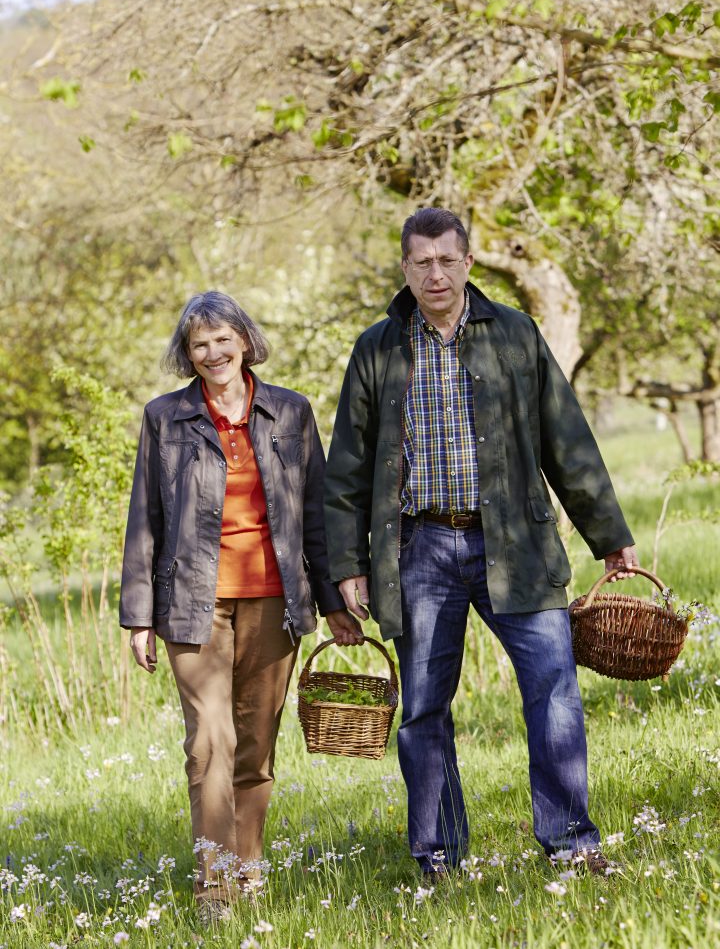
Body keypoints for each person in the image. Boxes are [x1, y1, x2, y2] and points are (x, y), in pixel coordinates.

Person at [324, 207, 638, 880]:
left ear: (468, 262)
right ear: (404, 269)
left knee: (554, 693)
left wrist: (608, 535)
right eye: (421, 262)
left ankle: (571, 843)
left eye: (446, 259)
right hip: (420, 549)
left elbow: (567, 440)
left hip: (517, 540)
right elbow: (346, 466)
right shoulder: (377, 348)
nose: (434, 273)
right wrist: (347, 565)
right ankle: (438, 853)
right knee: (425, 707)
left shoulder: (517, 335)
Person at [120, 291, 361, 924]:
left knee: (255, 746)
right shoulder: (164, 418)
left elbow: (317, 516)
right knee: (209, 743)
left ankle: (249, 873)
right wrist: (138, 616)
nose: (213, 353)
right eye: (199, 344)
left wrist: (335, 600)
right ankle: (215, 890)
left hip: (275, 601)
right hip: (190, 603)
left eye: (223, 339)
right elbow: (143, 519)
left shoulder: (291, 412)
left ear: (245, 341)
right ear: (187, 355)